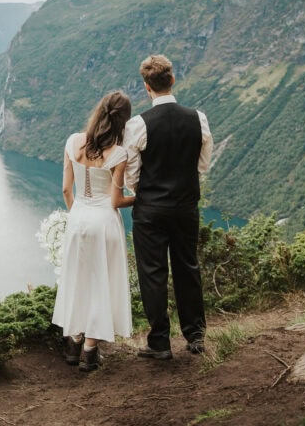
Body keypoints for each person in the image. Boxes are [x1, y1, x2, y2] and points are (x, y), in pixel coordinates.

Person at [123, 54, 213, 359]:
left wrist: (149, 191)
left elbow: (131, 176)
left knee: (153, 272)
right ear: (172, 80)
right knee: (188, 266)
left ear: (146, 87)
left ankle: (160, 342)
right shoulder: (197, 117)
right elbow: (202, 165)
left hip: (151, 210)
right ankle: (195, 335)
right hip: (186, 205)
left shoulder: (137, 125)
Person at [52, 91, 134, 372]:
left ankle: (73, 342)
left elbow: (65, 189)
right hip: (104, 222)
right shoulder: (119, 153)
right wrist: (141, 197)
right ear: (123, 121)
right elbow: (116, 201)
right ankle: (90, 349)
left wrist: (78, 212)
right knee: (102, 283)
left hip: (78, 219)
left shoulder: (73, 142)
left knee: (78, 279)